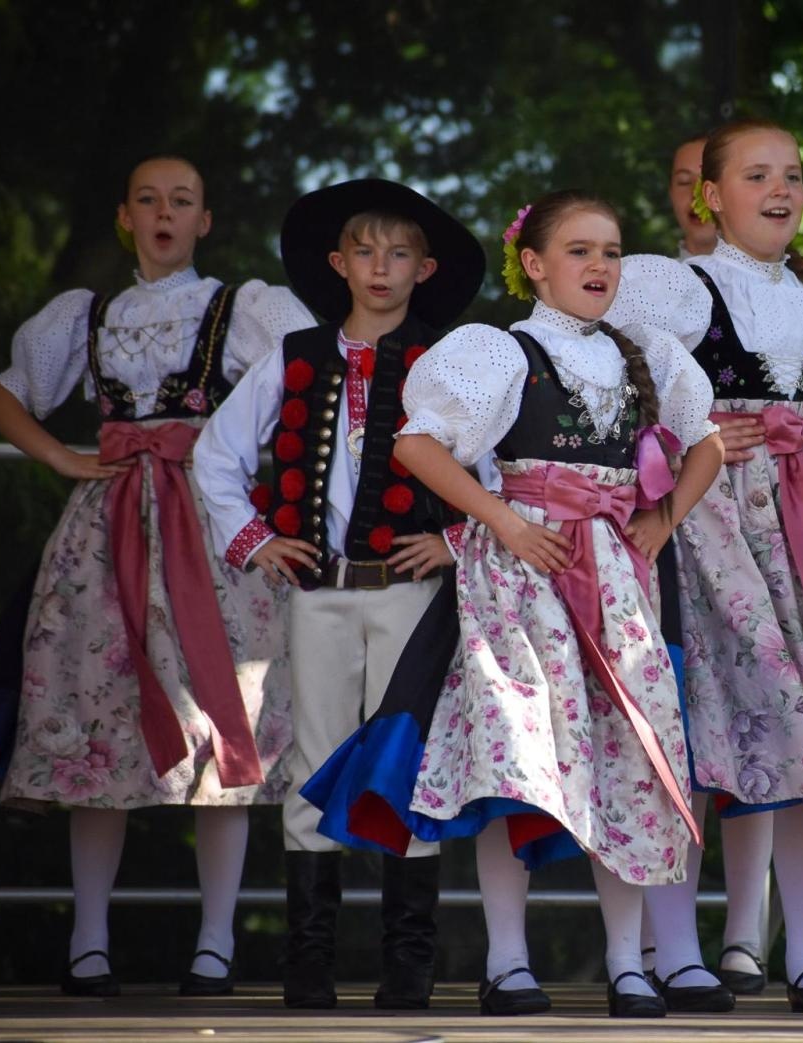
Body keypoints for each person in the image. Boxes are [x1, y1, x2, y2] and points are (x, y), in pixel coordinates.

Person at [298, 189, 725, 1018]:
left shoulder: (647, 356)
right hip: (521, 579)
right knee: (519, 767)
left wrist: (660, 520)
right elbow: (414, 442)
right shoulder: (499, 351)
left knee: (623, 759)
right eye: (579, 250)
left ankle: (627, 963)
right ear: (533, 264)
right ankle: (507, 961)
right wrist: (501, 519)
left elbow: (704, 441)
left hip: (612, 581)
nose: (599, 265)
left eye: (610, 250)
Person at [0, 155, 311, 996]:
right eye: (149, 200)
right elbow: (1, 395)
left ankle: (215, 941)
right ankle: (89, 940)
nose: (165, 212)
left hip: (209, 529)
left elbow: (315, 376)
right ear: (125, 216)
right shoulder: (86, 314)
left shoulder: (239, 309)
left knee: (218, 718)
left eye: (183, 201)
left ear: (206, 220)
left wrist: (255, 460)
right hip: (107, 532)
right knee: (101, 720)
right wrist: (60, 453)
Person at [608, 117, 803, 1014]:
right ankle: (680, 951)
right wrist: (687, 444)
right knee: (696, 726)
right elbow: (608, 384)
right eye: (757, 175)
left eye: (793, 175)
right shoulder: (674, 288)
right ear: (710, 194)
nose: (781, 190)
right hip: (706, 531)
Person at [192, 178, 484, 1010]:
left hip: (411, 594)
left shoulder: (454, 362)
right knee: (314, 761)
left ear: (425, 267)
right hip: (318, 595)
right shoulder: (295, 355)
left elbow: (499, 474)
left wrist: (455, 538)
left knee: (408, 763)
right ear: (338, 262)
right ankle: (309, 966)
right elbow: (215, 459)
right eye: (365, 250)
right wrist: (258, 541)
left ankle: (408, 966)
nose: (381, 267)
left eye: (399, 253)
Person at [636, 132, 777, 1004]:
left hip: (770, 526)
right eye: (684, 181)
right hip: (675, 527)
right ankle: (664, 941)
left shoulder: (795, 295)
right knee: (678, 721)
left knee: (760, 710)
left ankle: (747, 936)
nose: (698, 196)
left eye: (706, 179)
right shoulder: (640, 293)